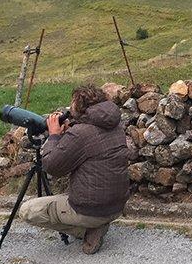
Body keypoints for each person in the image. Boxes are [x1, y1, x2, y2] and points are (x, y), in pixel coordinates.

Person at [18, 84, 130, 254]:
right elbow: (90, 144)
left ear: (79, 106)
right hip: (117, 205)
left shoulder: (80, 134)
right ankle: (95, 224)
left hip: (92, 210)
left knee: (28, 211)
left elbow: (52, 167)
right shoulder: (115, 125)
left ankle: (87, 231)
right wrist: (68, 134)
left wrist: (54, 136)